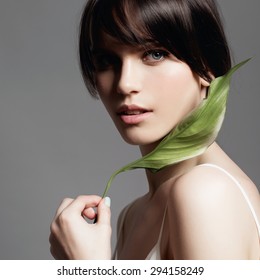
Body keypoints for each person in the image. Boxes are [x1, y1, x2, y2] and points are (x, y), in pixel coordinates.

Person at [49, 0, 260, 260]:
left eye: (155, 54)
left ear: (206, 65)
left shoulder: (207, 193)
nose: (125, 84)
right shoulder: (131, 217)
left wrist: (87, 269)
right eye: (106, 60)